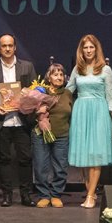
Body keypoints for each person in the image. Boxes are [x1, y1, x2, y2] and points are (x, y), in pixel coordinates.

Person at [66, 34, 112, 208]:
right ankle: (91, 190)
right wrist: (46, 94)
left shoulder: (105, 69)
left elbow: (110, 95)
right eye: (85, 48)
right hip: (81, 111)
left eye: (91, 47)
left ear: (97, 49)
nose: (88, 51)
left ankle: (89, 195)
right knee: (83, 154)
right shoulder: (77, 69)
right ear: (81, 50)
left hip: (99, 112)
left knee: (95, 154)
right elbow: (68, 91)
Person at [0, 34, 38, 206]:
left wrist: (25, 101)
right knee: (4, 159)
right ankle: (7, 195)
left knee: (25, 158)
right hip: (3, 122)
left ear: (15, 47)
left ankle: (26, 195)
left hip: (22, 120)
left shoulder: (27, 66)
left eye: (10, 45)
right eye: (4, 46)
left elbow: (35, 93)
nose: (7, 48)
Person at [32, 63, 74, 207]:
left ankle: (56, 194)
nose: (59, 77)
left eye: (61, 75)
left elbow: (72, 113)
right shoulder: (41, 92)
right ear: (49, 77)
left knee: (60, 166)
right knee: (40, 166)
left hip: (62, 134)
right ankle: (44, 195)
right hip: (41, 134)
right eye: (55, 74)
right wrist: (38, 112)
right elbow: (29, 109)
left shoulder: (68, 94)